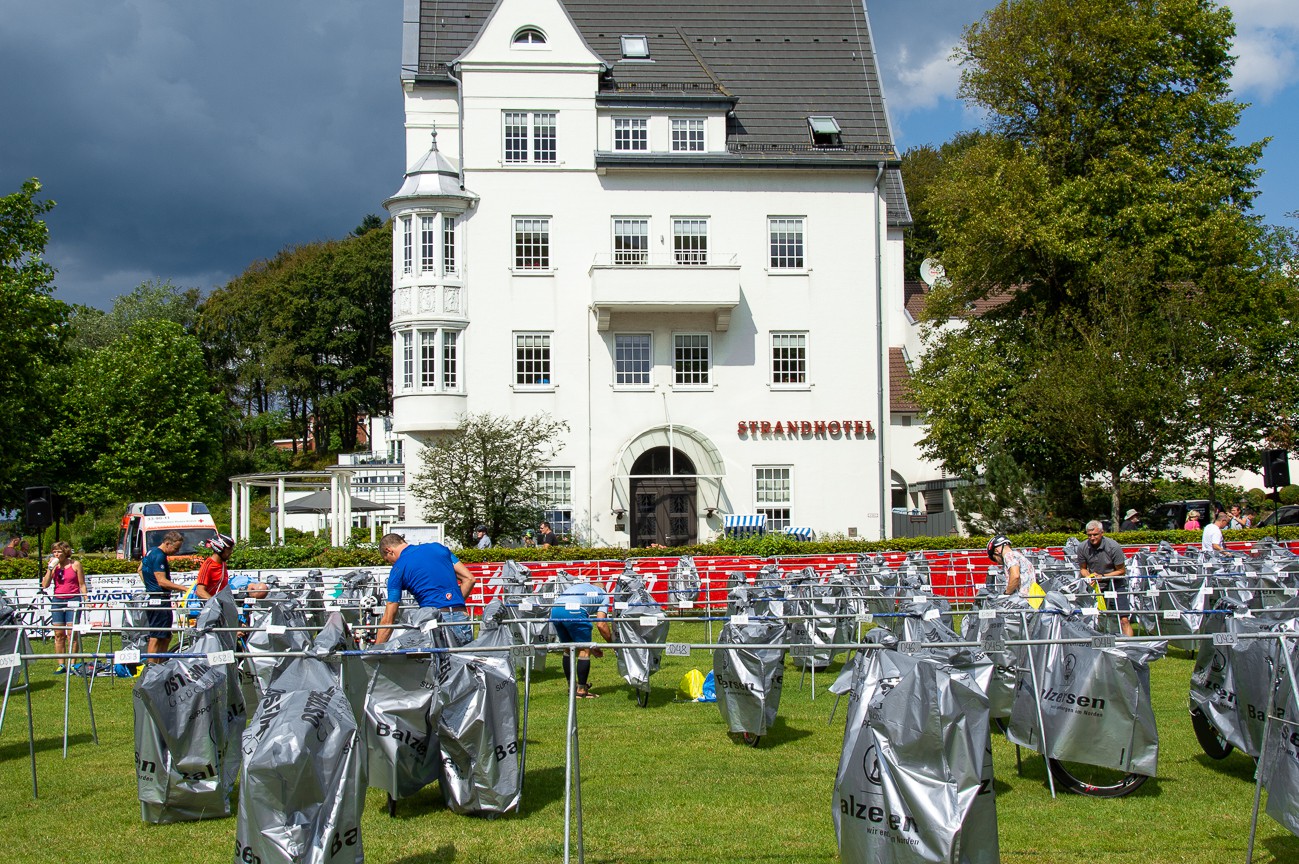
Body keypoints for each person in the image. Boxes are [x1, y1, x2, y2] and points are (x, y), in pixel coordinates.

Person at [375, 532, 476, 645]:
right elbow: (469, 579)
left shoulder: (398, 568)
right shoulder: (439, 548)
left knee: (439, 657)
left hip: (434, 622)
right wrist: (452, 603)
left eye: (388, 560)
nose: (391, 564)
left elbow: (389, 618)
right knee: (465, 655)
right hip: (460, 616)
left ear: (389, 550)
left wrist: (375, 651)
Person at [549, 579, 614, 699]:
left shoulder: (582, 587)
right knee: (584, 651)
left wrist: (591, 646)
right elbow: (601, 624)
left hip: (556, 610)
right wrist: (613, 644)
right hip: (575, 611)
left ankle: (572, 687)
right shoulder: (604, 595)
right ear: (604, 589)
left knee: (568, 649)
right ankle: (581, 690)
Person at [1077, 520, 1132, 637]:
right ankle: (1096, 645)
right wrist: (1089, 577)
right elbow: (1083, 569)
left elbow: (1121, 571)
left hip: (1116, 585)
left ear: (1102, 533)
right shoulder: (1082, 547)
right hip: (1095, 586)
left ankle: (1129, 646)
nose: (1092, 538)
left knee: (1124, 619)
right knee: (1094, 620)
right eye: (1089, 535)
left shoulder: (1113, 546)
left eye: (1095, 534)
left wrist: (1103, 577)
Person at [141, 531, 186, 661]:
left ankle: (160, 664)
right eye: (176, 548)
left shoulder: (151, 552)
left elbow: (140, 569)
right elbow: (162, 581)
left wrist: (149, 585)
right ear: (167, 543)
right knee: (156, 636)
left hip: (157, 598)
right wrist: (184, 588)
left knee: (165, 636)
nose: (177, 552)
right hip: (159, 599)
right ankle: (151, 667)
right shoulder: (159, 556)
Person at [42, 541, 86, 673]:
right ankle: (61, 664)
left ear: (65, 552)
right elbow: (45, 585)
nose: (56, 554)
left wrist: (86, 599)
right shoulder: (54, 566)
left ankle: (72, 663)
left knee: (72, 633)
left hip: (73, 599)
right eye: (54, 552)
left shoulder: (75, 564)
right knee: (58, 634)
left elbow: (82, 584)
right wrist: (50, 569)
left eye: (59, 551)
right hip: (58, 600)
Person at [193, 534, 269, 600]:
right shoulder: (208, 566)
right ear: (220, 548)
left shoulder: (223, 564)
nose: (231, 552)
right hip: (207, 608)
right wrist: (215, 603)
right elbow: (200, 591)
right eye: (229, 549)